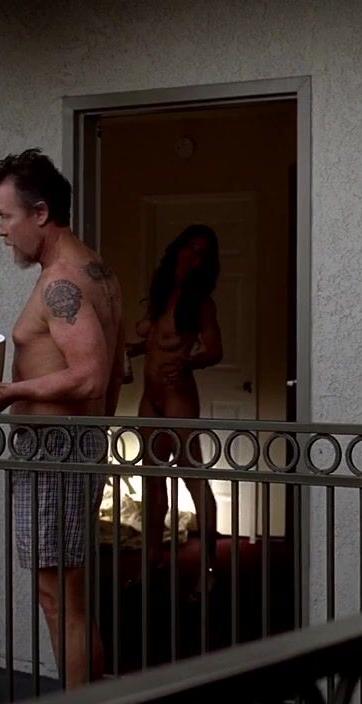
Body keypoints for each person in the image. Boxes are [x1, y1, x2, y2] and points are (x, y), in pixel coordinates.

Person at [0, 149, 124, 687]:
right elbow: (117, 371)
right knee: (67, 597)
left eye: (6, 216)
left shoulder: (61, 282)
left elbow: (91, 376)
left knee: (61, 601)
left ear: (41, 213)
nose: (1, 230)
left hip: (56, 452)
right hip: (74, 446)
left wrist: (10, 393)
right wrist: (95, 436)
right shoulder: (98, 270)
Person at [126, 224, 224, 598]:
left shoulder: (201, 304)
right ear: (178, 249)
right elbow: (156, 341)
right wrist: (136, 349)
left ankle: (208, 568)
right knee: (152, 480)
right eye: (190, 248)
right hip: (149, 397)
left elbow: (215, 351)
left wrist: (188, 362)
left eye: (202, 254)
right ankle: (151, 558)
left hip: (178, 397)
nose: (193, 257)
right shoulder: (161, 293)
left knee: (193, 478)